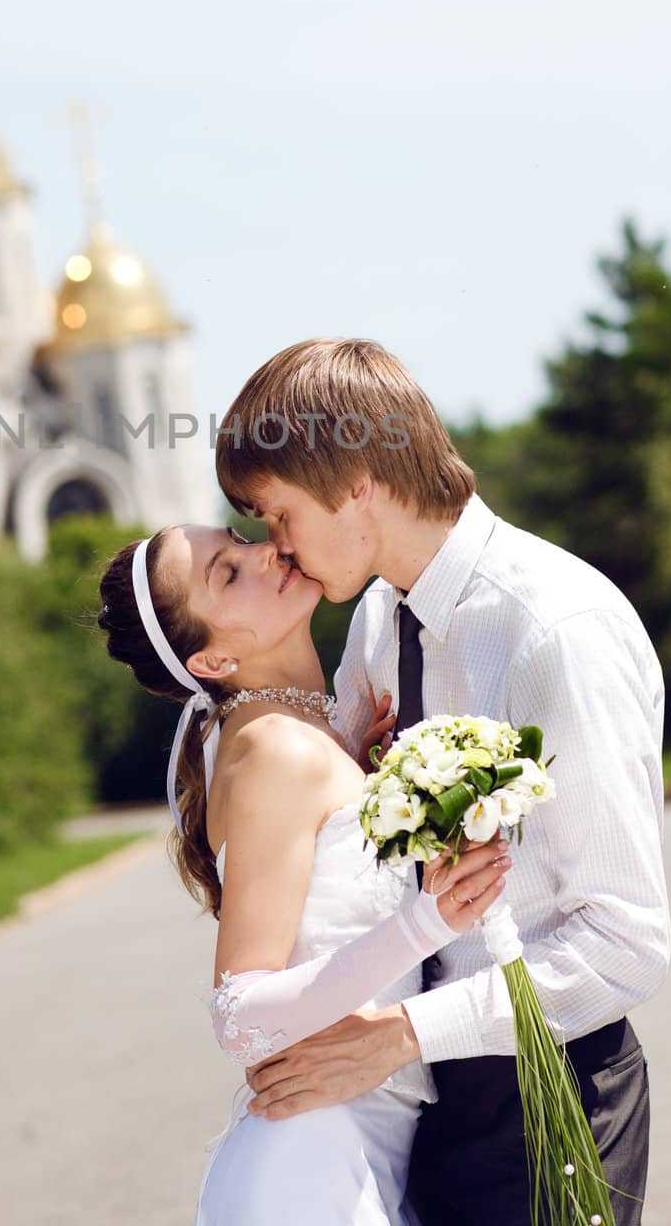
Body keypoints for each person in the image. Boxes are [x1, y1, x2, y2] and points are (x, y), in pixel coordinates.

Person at [213, 336, 670, 1226]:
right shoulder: (380, 617)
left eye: (278, 516)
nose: (280, 550)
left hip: (552, 1091)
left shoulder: (553, 631)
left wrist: (398, 1038)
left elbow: (625, 942)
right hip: (420, 1100)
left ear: (355, 485)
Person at [98, 523, 509, 1225]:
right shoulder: (274, 749)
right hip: (312, 1168)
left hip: (351, 1148)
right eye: (227, 573)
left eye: (236, 537)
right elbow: (242, 1015)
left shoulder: (298, 736)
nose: (263, 551)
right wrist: (427, 921)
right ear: (212, 657)